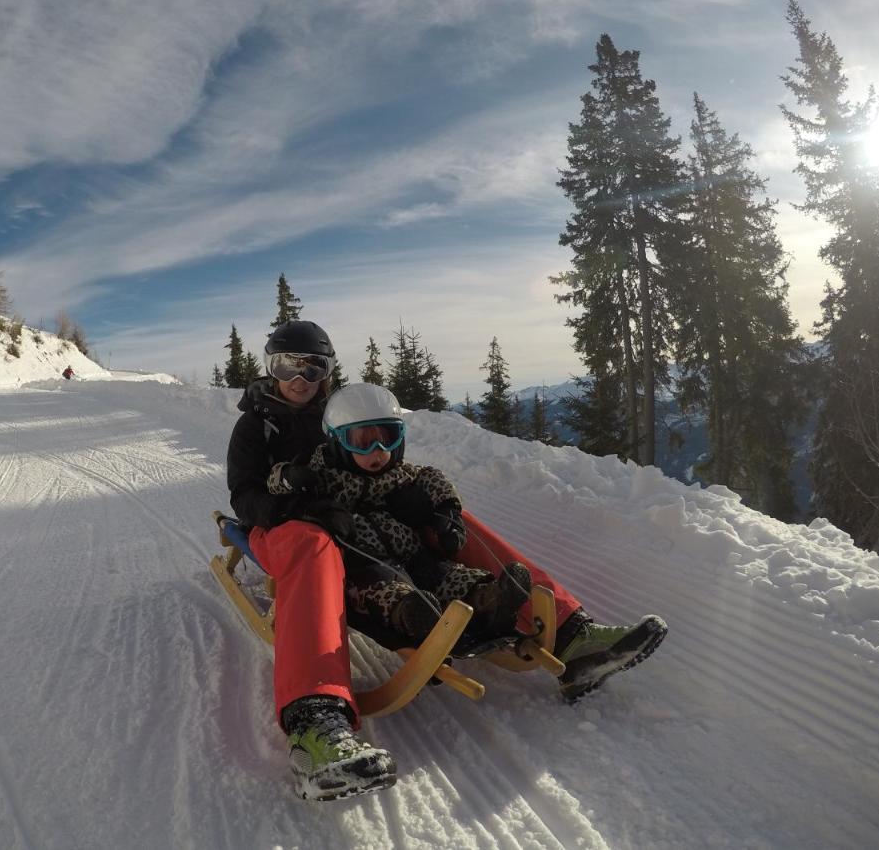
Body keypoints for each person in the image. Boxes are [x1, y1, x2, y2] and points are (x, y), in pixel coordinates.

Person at [226, 321, 666, 802]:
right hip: (283, 525)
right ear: (270, 367)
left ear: (328, 372)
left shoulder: (338, 411)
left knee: (457, 521)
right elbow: (244, 496)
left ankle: (571, 631)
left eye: (313, 367)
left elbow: (385, 464)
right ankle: (316, 723)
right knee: (314, 545)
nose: (299, 378)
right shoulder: (255, 425)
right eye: (286, 365)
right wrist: (301, 507)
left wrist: (431, 510)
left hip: (360, 519)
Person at [267, 382, 533, 649]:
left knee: (445, 574)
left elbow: (431, 477)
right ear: (337, 443)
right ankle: (411, 616)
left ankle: (489, 599)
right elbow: (277, 486)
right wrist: (289, 477)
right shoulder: (324, 476)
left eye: (388, 438)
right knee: (382, 592)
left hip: (412, 555)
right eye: (362, 442)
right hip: (363, 565)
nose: (378, 451)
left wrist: (447, 510)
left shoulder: (399, 473)